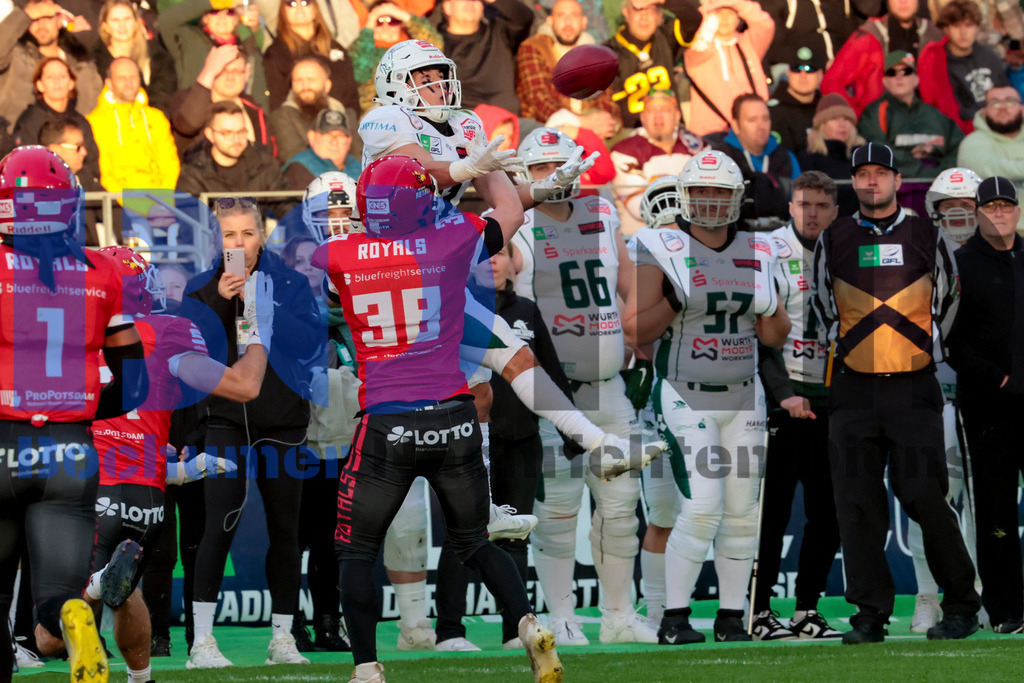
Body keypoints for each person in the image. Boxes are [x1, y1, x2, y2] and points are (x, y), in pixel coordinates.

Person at [360, 40, 661, 650]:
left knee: (495, 370)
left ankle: (552, 465)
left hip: (441, 255)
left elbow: (504, 212)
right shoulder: (384, 121)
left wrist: (539, 193)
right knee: (462, 382)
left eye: (442, 77)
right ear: (395, 83)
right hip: (392, 269)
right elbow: (421, 172)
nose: (439, 88)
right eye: (423, 78)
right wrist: (465, 172)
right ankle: (587, 446)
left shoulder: (467, 125)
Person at [312, 153, 564, 683]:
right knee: (474, 540)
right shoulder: (449, 241)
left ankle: (366, 667)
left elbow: (334, 277)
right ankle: (526, 623)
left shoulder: (339, 255)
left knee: (356, 550)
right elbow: (509, 213)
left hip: (387, 422)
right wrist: (478, 165)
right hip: (454, 415)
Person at [811, 141, 981, 644]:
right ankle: (870, 614)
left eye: (878, 173)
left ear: (895, 179)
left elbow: (949, 298)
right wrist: (846, 352)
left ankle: (961, 605)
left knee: (926, 498)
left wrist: (927, 350)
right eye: (861, 174)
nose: (869, 182)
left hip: (913, 388)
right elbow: (821, 306)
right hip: (853, 391)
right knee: (857, 505)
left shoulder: (927, 233)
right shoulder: (834, 236)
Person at [623, 150, 791, 645]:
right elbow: (636, 332)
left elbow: (776, 336)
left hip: (744, 394)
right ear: (685, 195)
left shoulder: (761, 248)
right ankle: (674, 617)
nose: (713, 202)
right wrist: (678, 297)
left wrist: (770, 306)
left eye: (722, 192)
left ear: (738, 197)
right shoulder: (659, 243)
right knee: (703, 505)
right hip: (684, 392)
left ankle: (731, 617)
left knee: (741, 512)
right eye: (703, 191)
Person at [86, 244, 271, 683]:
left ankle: (91, 592)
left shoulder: (67, 334)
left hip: (81, 491)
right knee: (122, 589)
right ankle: (136, 668)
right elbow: (245, 385)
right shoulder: (167, 330)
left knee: (52, 630)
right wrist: (255, 323)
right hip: (144, 499)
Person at [0, 145, 148, 682]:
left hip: (2, 440)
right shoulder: (103, 272)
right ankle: (69, 615)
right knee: (57, 596)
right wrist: (81, 412)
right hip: (68, 448)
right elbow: (136, 382)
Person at [511, 127, 656, 646]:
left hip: (608, 384)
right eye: (539, 169)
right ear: (523, 176)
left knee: (620, 508)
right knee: (558, 511)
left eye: (558, 166)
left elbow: (632, 287)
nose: (550, 178)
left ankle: (618, 614)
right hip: (553, 392)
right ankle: (562, 617)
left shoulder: (603, 213)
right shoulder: (518, 226)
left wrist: (626, 334)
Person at [183, 197, 324, 668]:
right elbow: (190, 357)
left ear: (261, 235)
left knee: (286, 531)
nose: (239, 243)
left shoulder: (290, 282)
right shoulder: (201, 287)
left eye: (246, 233)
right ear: (215, 239)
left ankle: (282, 639)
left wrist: (264, 308)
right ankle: (201, 643)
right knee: (217, 526)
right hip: (225, 422)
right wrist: (221, 304)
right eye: (229, 235)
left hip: (283, 422)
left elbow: (310, 343)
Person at [749, 170, 843, 641]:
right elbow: (758, 332)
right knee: (775, 511)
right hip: (782, 401)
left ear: (835, 211)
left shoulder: (844, 249)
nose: (812, 214)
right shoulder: (767, 249)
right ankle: (760, 609)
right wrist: (782, 393)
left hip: (832, 400)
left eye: (822, 206)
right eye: (804, 204)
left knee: (829, 512)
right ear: (790, 207)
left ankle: (807, 608)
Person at [946, 175, 1024, 635]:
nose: (999, 213)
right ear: (976, 213)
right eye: (990, 206)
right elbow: (952, 341)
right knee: (995, 514)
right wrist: (998, 377)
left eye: (1006, 206)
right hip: (988, 406)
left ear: (1016, 210)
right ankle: (1006, 610)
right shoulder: (960, 263)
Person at [906, 166, 981, 633]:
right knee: (929, 500)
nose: (957, 216)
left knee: (982, 506)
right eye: (947, 208)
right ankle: (927, 596)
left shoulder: (1000, 256)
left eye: (967, 207)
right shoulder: (916, 255)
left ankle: (979, 593)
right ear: (933, 211)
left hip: (981, 395)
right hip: (929, 393)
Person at [515, 0, 621, 140]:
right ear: (550, 21)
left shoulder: (594, 54)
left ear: (584, 22)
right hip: (549, 131)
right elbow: (538, 98)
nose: (568, 21)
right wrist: (580, 122)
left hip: (594, 129)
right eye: (561, 15)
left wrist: (604, 122)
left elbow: (606, 98)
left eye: (574, 15)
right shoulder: (534, 48)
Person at [821, 0, 942, 116]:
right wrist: (857, 117)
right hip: (879, 128)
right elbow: (831, 83)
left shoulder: (935, 37)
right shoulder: (869, 36)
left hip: (928, 126)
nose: (903, 2)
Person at [856, 51, 964, 180]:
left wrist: (940, 172)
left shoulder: (934, 114)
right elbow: (876, 151)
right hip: (898, 183)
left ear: (916, 79)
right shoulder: (874, 112)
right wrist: (919, 169)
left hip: (938, 183)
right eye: (892, 73)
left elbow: (959, 148)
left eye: (906, 72)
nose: (899, 77)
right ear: (884, 81)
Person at [610, 89, 706, 234]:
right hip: (642, 246)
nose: (658, 117)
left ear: (677, 116)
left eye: (666, 110)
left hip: (693, 242)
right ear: (642, 117)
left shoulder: (698, 147)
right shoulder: (625, 150)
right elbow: (641, 207)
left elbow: (710, 201)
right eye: (651, 111)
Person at [175, 101, 288, 219]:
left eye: (241, 132)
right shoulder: (193, 174)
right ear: (210, 134)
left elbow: (287, 207)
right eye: (227, 133)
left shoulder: (264, 164)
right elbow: (189, 226)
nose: (236, 139)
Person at [0, 0, 103, 126]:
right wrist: (25, 14)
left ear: (60, 21)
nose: (41, 24)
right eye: (35, 19)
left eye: (48, 17)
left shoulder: (82, 67)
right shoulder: (15, 56)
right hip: (18, 140)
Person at [87, 57, 180, 194]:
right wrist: (137, 206)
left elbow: (170, 165)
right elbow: (104, 174)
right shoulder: (95, 121)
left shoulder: (156, 118)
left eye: (133, 77)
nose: (129, 83)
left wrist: (163, 202)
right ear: (109, 83)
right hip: (118, 205)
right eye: (122, 78)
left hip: (160, 202)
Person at [603, 0, 701, 129]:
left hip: (672, 132)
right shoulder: (607, 54)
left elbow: (694, 16)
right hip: (632, 137)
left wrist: (661, 0)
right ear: (625, 13)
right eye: (638, 10)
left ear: (659, 15)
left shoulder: (665, 37)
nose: (644, 16)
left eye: (651, 9)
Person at [683, 0, 774, 137]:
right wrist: (709, 10)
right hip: (711, 135)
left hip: (751, 131)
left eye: (730, 14)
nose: (725, 18)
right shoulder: (697, 49)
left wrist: (734, 2)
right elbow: (699, 41)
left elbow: (764, 24)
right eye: (719, 14)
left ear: (739, 19)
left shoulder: (750, 44)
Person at [169, 44, 276, 159]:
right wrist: (208, 72)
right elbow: (187, 125)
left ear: (246, 74)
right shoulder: (187, 99)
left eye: (236, 71)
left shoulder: (254, 111)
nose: (230, 77)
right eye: (222, 70)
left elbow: (270, 156)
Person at [710, 93, 800, 230]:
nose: (761, 126)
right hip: (733, 240)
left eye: (765, 119)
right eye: (752, 120)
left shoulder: (787, 158)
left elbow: (801, 207)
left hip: (782, 240)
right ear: (735, 124)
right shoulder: (719, 158)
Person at [918, 0, 1010, 135]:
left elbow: (1006, 94)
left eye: (968, 25)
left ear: (977, 28)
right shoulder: (938, 62)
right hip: (964, 131)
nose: (963, 33)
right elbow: (947, 109)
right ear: (946, 28)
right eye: (956, 26)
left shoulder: (989, 56)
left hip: (998, 124)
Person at [161, 0, 269, 109]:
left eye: (229, 12)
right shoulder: (188, 40)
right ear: (204, 18)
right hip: (195, 115)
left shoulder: (245, 48)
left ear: (237, 19)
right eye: (214, 12)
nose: (221, 18)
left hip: (235, 117)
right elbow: (166, 22)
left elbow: (258, 92)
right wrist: (214, 2)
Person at [12, 57, 101, 187]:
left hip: (82, 191)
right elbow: (21, 169)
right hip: (43, 195)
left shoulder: (81, 122)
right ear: (40, 85)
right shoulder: (29, 121)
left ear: (71, 83)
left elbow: (92, 165)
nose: (57, 81)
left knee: (118, 204)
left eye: (62, 76)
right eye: (50, 77)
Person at [433, 0, 534, 114]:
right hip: (463, 121)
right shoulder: (434, 44)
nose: (470, 2)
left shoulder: (499, 33)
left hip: (507, 120)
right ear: (447, 7)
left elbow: (524, 17)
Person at [262, 0, 360, 115]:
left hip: (340, 123)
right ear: (283, 11)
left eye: (306, 2)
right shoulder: (276, 53)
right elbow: (277, 104)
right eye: (291, 3)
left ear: (315, 9)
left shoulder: (335, 48)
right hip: (300, 126)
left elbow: (352, 97)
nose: (299, 7)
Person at [348, 0, 444, 115]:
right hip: (379, 112)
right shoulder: (364, 49)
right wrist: (368, 28)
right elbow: (359, 72)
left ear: (401, 23)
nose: (385, 26)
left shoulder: (413, 47)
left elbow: (435, 46)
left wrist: (405, 16)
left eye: (393, 20)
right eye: (379, 21)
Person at [957, 85, 1024, 232]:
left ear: (1022, 108)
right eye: (995, 102)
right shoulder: (972, 142)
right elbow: (986, 169)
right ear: (984, 111)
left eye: (1010, 101)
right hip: (995, 235)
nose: (1003, 107)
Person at [91, 0, 177, 113]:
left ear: (136, 23)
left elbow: (162, 98)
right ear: (105, 26)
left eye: (127, 19)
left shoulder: (156, 56)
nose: (122, 26)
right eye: (115, 20)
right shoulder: (94, 61)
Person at [269, 56, 350, 164]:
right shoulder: (282, 117)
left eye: (311, 80)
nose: (305, 86)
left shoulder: (345, 115)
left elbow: (358, 156)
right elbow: (294, 160)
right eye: (299, 80)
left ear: (327, 85)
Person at [797, 93, 866, 216]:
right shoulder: (809, 159)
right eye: (834, 119)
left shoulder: (862, 155)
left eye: (846, 119)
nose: (842, 124)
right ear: (822, 125)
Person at [283, 109, 361, 190]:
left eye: (340, 135)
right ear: (312, 137)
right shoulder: (298, 168)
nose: (334, 141)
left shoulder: (361, 170)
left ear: (349, 140)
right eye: (327, 134)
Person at [768, 46, 825, 154]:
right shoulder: (773, 111)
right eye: (797, 69)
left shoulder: (828, 111)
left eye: (810, 69)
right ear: (788, 73)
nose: (803, 75)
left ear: (820, 75)